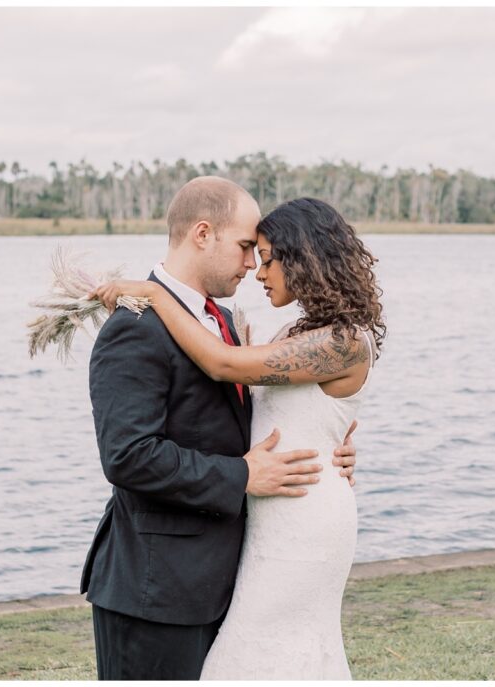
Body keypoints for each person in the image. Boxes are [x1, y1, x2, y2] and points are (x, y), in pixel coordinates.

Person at [91, 196, 385, 679]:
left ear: (305, 257)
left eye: (265, 257)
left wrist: (156, 293)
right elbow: (133, 453)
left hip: (301, 515)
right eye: (251, 251)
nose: (255, 269)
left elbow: (224, 366)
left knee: (275, 649)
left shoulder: (339, 341)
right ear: (203, 234)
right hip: (244, 531)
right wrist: (327, 441)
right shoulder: (286, 330)